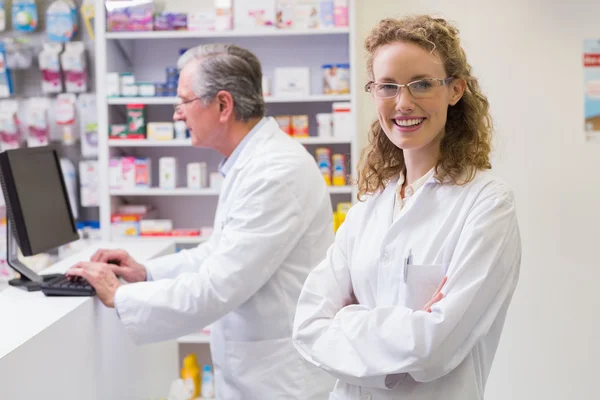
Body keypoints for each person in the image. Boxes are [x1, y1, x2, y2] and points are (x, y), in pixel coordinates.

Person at [67, 44, 336, 399]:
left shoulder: (275, 172)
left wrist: (123, 297)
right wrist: (144, 273)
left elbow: (217, 287)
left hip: (281, 381)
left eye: (183, 101)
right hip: (259, 373)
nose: (178, 115)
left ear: (223, 105)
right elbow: (218, 253)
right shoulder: (252, 161)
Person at [292, 15, 521, 400]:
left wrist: (348, 321)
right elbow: (308, 328)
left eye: (421, 84)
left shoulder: (487, 204)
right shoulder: (369, 205)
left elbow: (435, 349)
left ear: (455, 90)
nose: (403, 103)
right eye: (388, 86)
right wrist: (407, 328)